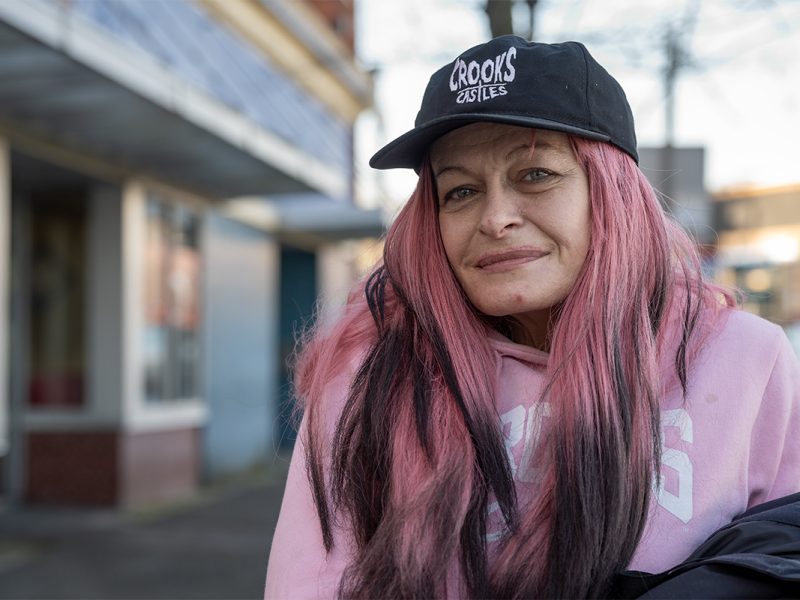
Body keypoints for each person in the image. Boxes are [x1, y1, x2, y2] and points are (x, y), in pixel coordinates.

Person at [265, 36, 800, 598]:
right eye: (461, 190)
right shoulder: (368, 376)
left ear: (610, 194)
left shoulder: (746, 359)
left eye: (536, 174)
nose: (495, 218)